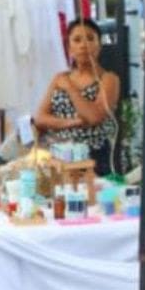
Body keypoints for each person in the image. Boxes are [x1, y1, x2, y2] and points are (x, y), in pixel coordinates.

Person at [33, 20, 118, 175]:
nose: (84, 45)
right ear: (69, 48)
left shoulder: (108, 79)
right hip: (57, 153)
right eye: (77, 40)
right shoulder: (60, 78)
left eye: (90, 38)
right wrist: (74, 122)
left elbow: (94, 117)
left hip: (91, 155)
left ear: (99, 46)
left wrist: (70, 88)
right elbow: (40, 118)